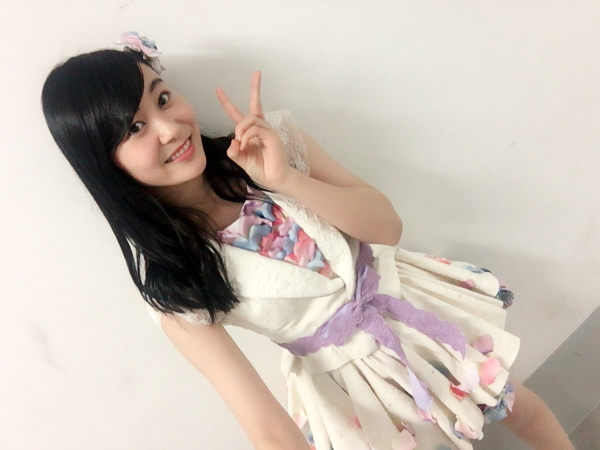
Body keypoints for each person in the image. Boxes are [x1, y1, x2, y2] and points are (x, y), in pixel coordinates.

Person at [41, 32, 574, 450]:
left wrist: (286, 179)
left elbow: (386, 228)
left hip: (411, 310)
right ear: (103, 162)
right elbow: (265, 427)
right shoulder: (171, 283)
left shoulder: (272, 143)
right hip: (351, 389)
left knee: (518, 407)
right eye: (134, 128)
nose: (169, 128)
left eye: (162, 98)